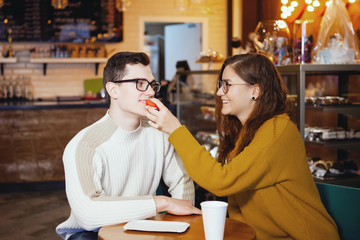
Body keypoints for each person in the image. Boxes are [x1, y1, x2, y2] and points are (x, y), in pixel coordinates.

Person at [146, 53, 340, 239]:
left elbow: (221, 181)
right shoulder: (245, 131)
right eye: (220, 85)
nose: (219, 92)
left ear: (255, 91)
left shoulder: (277, 130)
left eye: (227, 85)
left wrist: (176, 130)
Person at [56, 52, 200, 240]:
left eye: (152, 84)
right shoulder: (84, 145)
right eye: (140, 84)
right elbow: (87, 214)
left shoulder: (159, 131)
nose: (150, 92)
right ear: (113, 90)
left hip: (141, 227)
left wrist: (178, 224)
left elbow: (182, 182)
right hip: (91, 233)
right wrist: (162, 203)